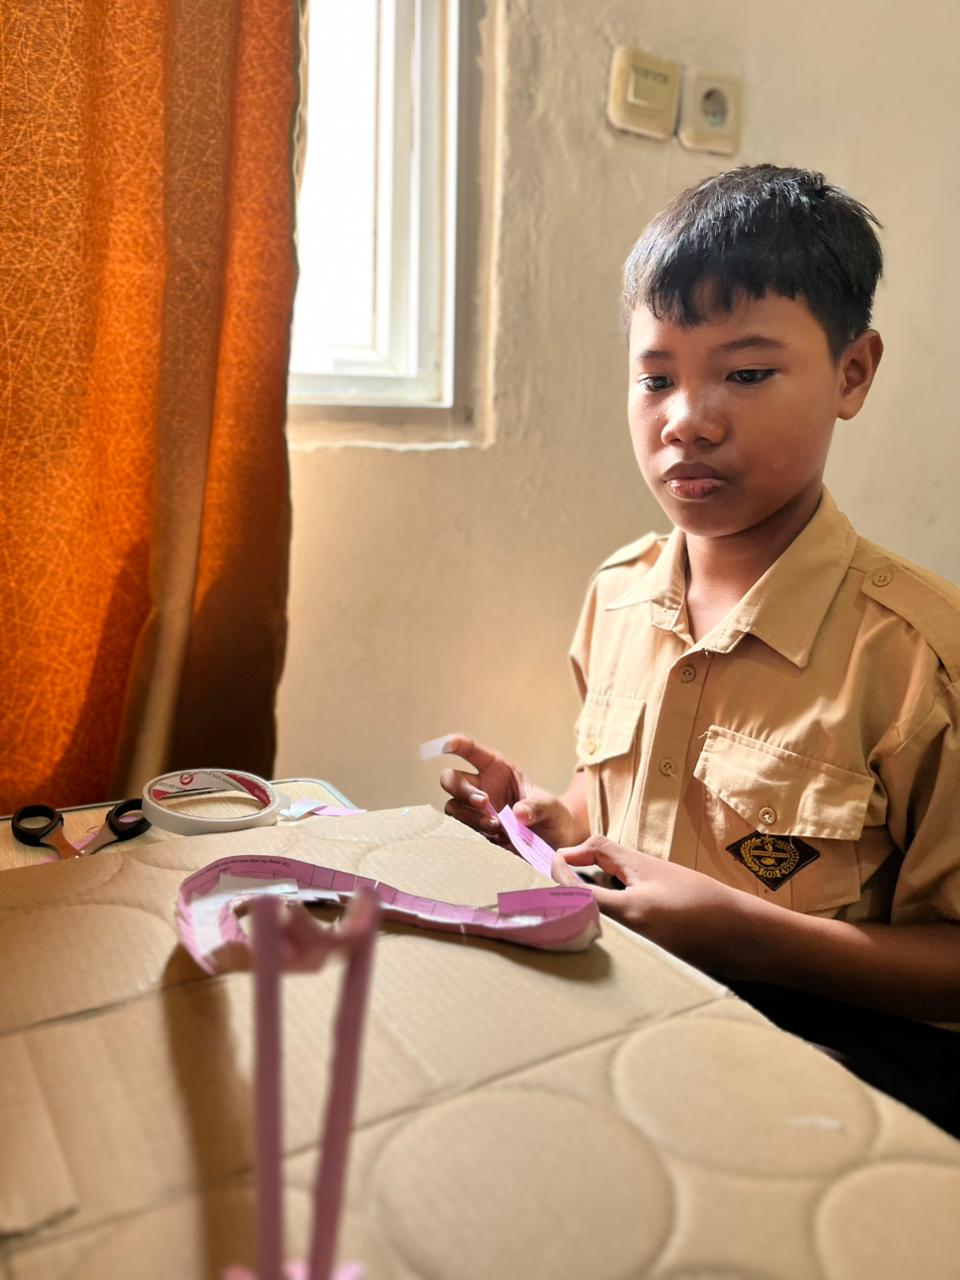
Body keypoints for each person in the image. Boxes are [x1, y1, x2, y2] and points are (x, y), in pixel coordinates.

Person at [437, 164, 960, 1137]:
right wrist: (548, 819)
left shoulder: (918, 659)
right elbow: (624, 801)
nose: (687, 418)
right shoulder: (617, 595)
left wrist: (752, 938)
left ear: (852, 373)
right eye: (656, 378)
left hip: (821, 1095)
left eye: (746, 373)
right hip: (618, 1040)